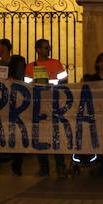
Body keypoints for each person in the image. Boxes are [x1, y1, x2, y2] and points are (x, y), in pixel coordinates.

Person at [25, 38, 69, 178]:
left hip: (54, 103)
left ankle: (60, 166)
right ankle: (44, 167)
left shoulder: (56, 63)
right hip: (38, 105)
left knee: (56, 136)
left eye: (48, 47)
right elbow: (26, 84)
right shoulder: (30, 66)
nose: (47, 50)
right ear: (37, 50)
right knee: (40, 137)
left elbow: (64, 81)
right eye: (44, 48)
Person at [0, 38, 27, 176]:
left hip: (14, 103)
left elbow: (20, 80)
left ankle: (16, 166)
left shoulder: (17, 63)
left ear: (4, 47)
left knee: (14, 134)